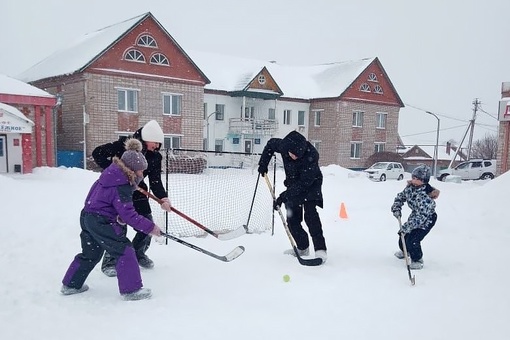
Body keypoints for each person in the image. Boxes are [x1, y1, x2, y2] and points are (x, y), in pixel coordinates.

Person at [61, 138, 162, 300]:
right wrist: (151, 228)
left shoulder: (109, 175)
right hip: (101, 221)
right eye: (140, 171)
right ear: (131, 169)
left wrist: (116, 215)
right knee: (125, 250)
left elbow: (98, 200)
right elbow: (130, 215)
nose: (142, 175)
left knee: (91, 253)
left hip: (87, 216)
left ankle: (71, 284)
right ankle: (131, 290)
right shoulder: (122, 184)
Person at [92, 120, 171, 276]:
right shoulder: (123, 146)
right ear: (146, 138)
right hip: (118, 193)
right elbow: (97, 153)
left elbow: (155, 181)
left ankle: (138, 254)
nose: (157, 146)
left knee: (147, 224)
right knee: (118, 227)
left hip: (138, 193)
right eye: (154, 142)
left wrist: (163, 198)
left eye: (158, 143)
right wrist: (114, 173)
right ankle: (110, 262)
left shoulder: (155, 157)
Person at [257, 130, 327, 263]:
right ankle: (302, 247)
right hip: (293, 183)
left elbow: (305, 183)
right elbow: (270, 145)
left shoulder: (312, 155)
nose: (294, 157)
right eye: (292, 154)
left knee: (310, 215)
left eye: (297, 155)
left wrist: (283, 197)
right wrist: (263, 163)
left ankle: (320, 250)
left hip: (311, 184)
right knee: (292, 218)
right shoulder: (284, 145)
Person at [391, 164, 438, 270]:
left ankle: (417, 259)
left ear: (424, 181)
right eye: (413, 177)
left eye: (417, 179)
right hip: (415, 215)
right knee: (403, 236)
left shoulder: (425, 196)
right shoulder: (410, 188)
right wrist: (396, 207)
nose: (414, 180)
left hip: (427, 218)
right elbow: (400, 197)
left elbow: (421, 217)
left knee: (413, 239)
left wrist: (407, 227)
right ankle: (406, 251)